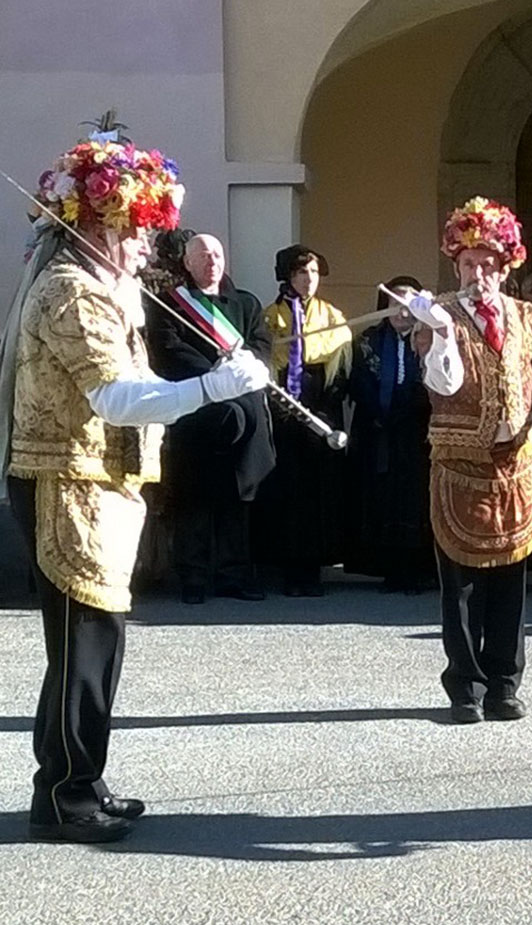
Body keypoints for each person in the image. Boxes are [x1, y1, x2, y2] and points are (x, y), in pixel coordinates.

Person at [0, 135, 270, 843]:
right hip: (66, 482)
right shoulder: (68, 291)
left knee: (100, 640)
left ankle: (81, 778)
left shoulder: (106, 289)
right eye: (136, 231)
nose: (146, 246)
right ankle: (62, 795)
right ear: (98, 228)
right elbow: (118, 398)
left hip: (100, 484)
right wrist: (212, 387)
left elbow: (140, 389)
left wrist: (217, 374)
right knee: (82, 644)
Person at [403, 197, 532, 723]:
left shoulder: (529, 316)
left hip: (516, 467)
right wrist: (440, 331)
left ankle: (505, 684)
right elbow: (443, 383)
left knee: (511, 580)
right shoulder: (438, 313)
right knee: (459, 586)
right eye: (468, 263)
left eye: (488, 263)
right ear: (456, 264)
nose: (478, 273)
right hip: (460, 465)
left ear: (505, 265)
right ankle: (464, 685)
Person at [146, 233, 275, 604]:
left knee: (238, 497)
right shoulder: (170, 305)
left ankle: (234, 574)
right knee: (195, 498)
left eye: (217, 254)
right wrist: (215, 377)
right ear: (186, 263)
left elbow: (262, 346)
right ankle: (194, 576)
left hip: (245, 416)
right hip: (197, 413)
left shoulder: (246, 304)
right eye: (202, 256)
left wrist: (242, 371)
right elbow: (168, 349)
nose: (211, 261)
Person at [260, 246, 353, 596]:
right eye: (301, 273)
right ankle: (288, 569)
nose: (308, 279)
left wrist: (325, 411)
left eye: (313, 273)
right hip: (284, 412)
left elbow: (340, 371)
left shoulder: (332, 316)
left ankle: (314, 568)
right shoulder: (270, 318)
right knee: (287, 492)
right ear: (289, 276)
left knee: (317, 494)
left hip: (321, 411)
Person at [344, 276, 434, 592]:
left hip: (416, 434)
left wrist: (409, 406)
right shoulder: (368, 340)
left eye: (409, 305)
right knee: (382, 500)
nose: (402, 312)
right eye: (395, 304)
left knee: (414, 501)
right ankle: (387, 569)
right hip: (377, 432)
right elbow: (358, 381)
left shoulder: (429, 341)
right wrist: (381, 409)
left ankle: (415, 570)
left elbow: (435, 383)